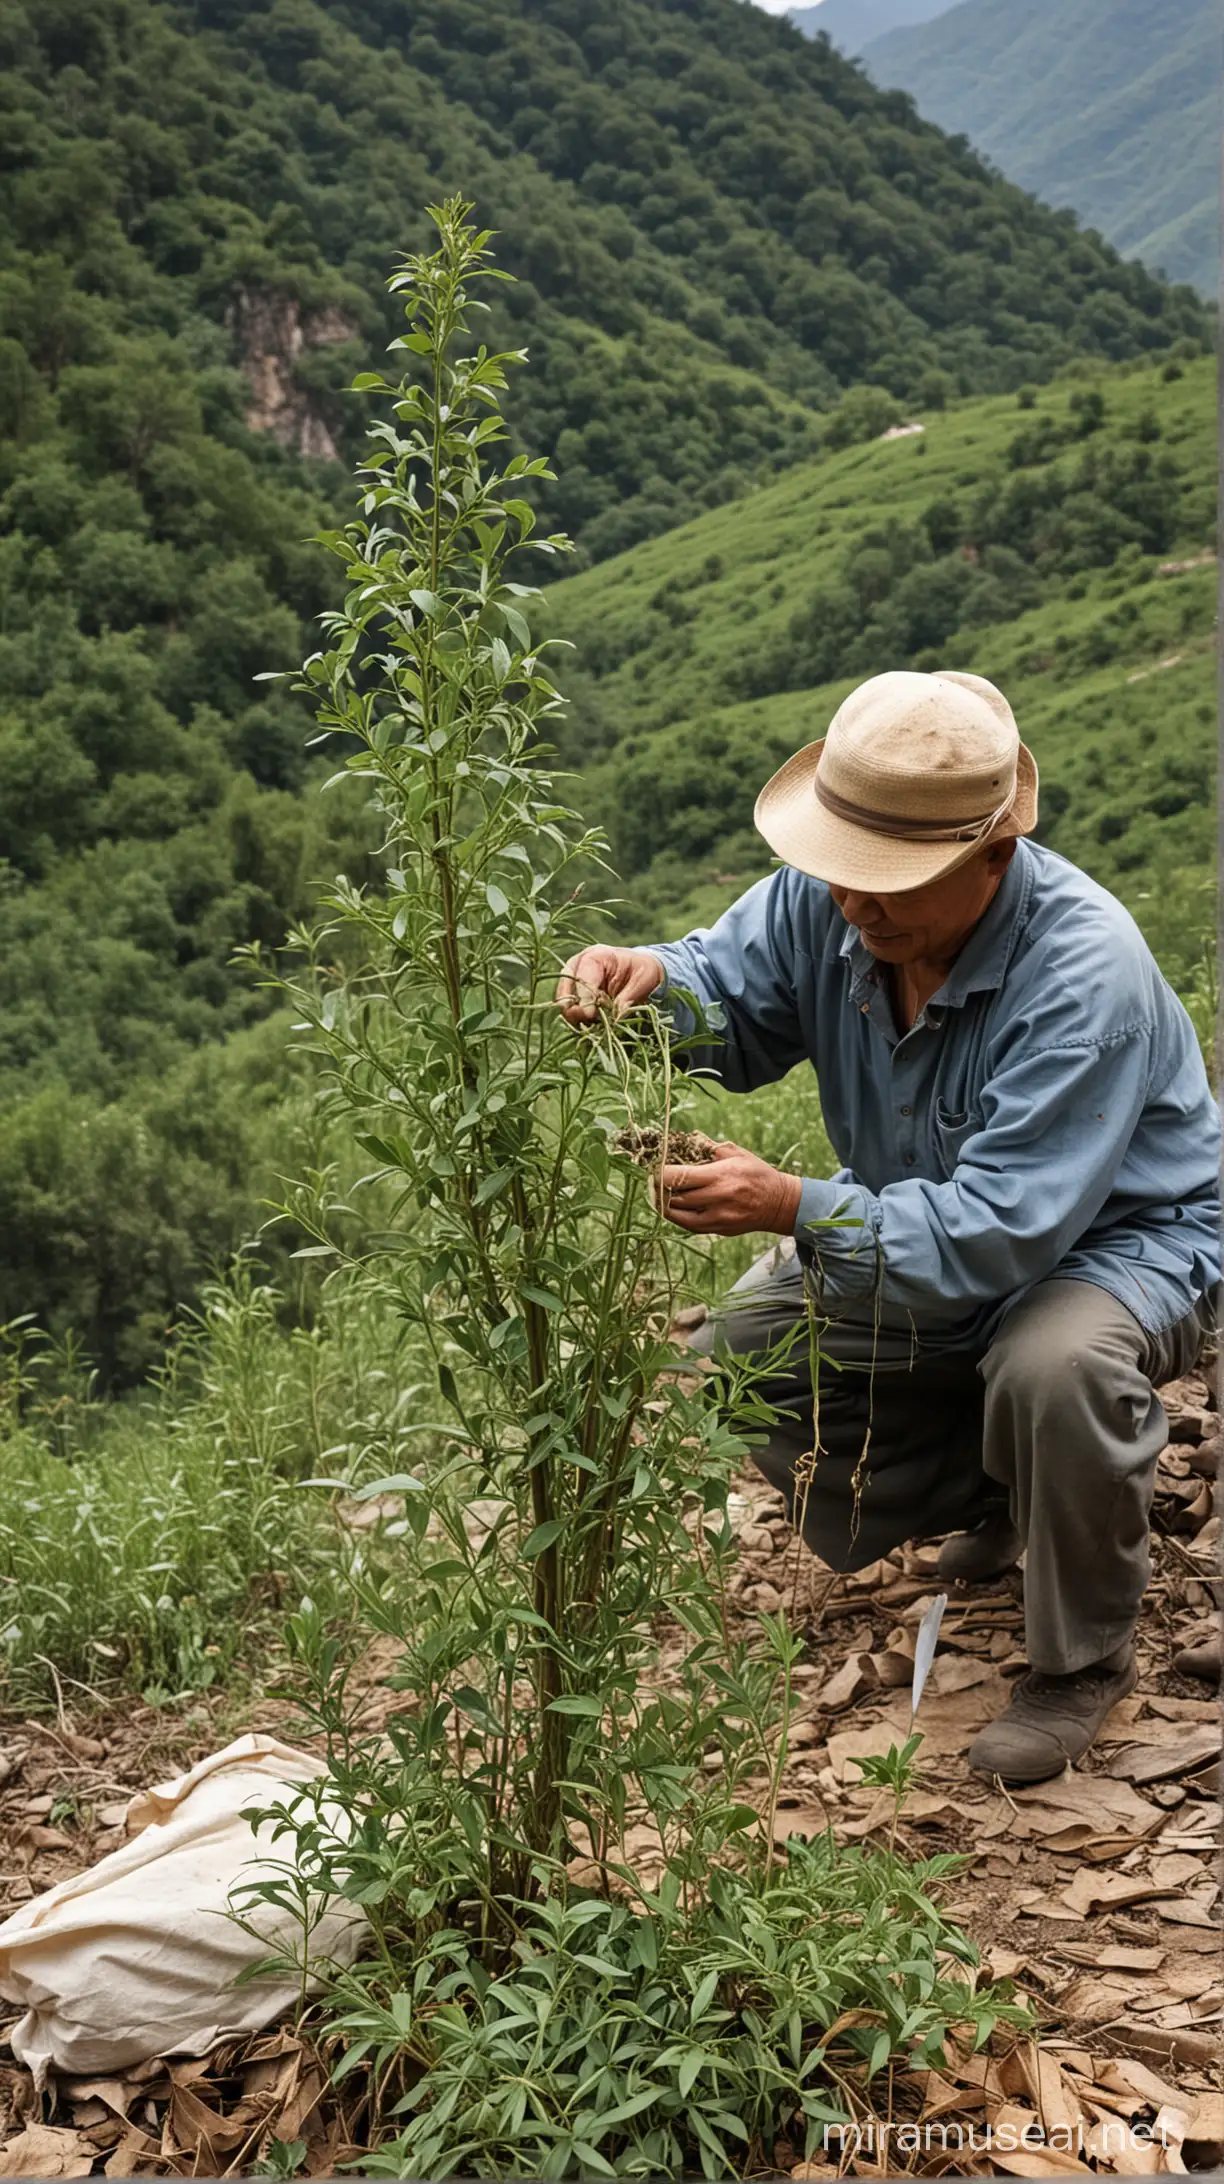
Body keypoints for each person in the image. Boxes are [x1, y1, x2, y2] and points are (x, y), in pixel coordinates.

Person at [556, 669, 1219, 1786]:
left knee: (1052, 1364)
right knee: (744, 1359)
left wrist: (792, 1205)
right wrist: (649, 984)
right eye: (842, 877)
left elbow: (1002, 1235)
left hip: (1115, 1242)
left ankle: (1080, 1662)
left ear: (994, 857)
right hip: (934, 1230)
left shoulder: (1080, 971)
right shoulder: (832, 902)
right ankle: (1020, 1487)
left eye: (892, 885)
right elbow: (728, 990)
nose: (855, 908)